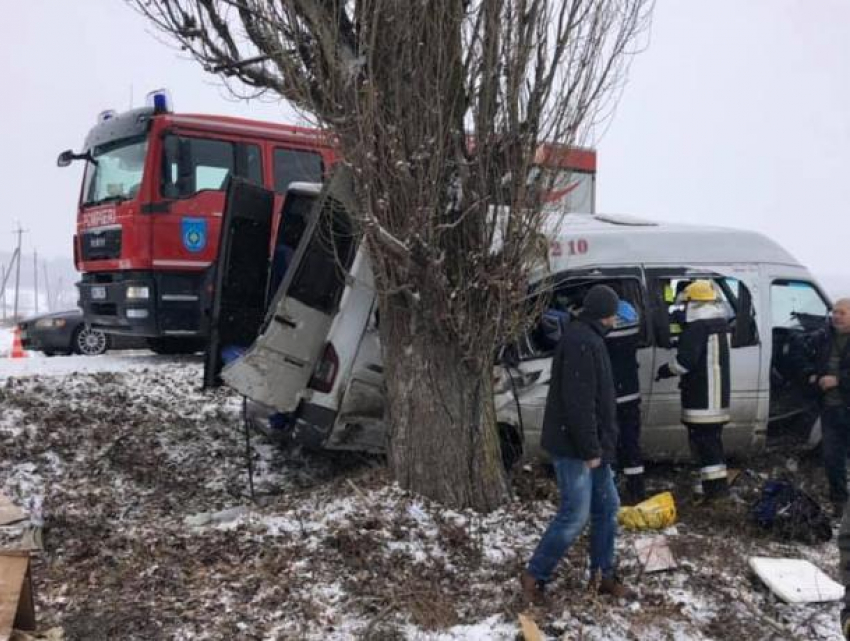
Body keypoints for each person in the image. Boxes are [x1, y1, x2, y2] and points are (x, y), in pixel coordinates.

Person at [520, 284, 630, 605]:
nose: (614, 321)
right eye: (612, 314)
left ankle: (602, 576)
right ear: (602, 314)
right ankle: (533, 575)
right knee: (574, 515)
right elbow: (579, 403)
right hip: (576, 448)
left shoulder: (588, 337)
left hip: (590, 445)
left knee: (607, 508)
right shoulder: (583, 342)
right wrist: (591, 450)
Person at [656, 280, 731, 500]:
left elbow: (684, 363)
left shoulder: (697, 329)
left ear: (694, 304)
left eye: (685, 305)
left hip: (702, 397)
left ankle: (716, 495)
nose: (683, 310)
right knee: (712, 445)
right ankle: (713, 490)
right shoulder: (718, 322)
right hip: (716, 397)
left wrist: (664, 370)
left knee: (707, 448)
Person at [808, 298, 850, 517]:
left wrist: (839, 381)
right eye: (834, 312)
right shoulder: (824, 337)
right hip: (831, 408)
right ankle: (839, 505)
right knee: (832, 459)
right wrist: (812, 376)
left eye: (842, 313)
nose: (836, 316)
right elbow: (805, 356)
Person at [606, 299, 645, 505]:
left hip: (611, 396)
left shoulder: (607, 334)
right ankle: (637, 489)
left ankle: (611, 489)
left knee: (609, 443)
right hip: (631, 393)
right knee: (631, 442)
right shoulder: (633, 326)